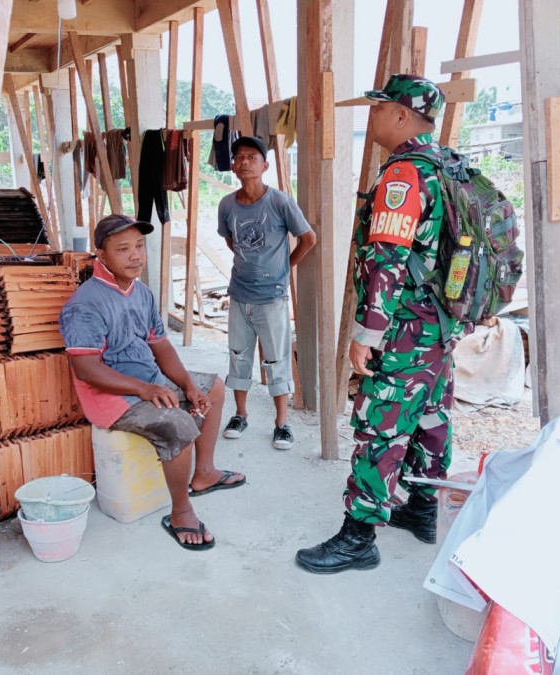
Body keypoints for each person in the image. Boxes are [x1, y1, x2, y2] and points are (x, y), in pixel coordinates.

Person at [296, 74, 464, 574]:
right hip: (439, 327)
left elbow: (387, 261)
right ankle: (422, 506)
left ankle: (359, 535)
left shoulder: (403, 175)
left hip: (403, 329)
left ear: (399, 115)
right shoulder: (447, 167)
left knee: (381, 424)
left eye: (377, 108)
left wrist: (366, 333)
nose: (370, 117)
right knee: (431, 414)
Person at [60, 214, 245, 551]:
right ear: (101, 255)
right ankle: (180, 512)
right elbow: (86, 369)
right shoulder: (85, 304)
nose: (136, 256)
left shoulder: (141, 293)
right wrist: (144, 389)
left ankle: (203, 473)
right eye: (123, 249)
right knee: (177, 424)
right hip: (112, 398)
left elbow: (160, 345)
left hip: (148, 382)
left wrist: (187, 384)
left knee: (213, 388)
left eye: (140, 246)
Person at [217, 136, 317, 450]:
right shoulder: (227, 204)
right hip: (239, 294)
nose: (245, 161)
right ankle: (241, 414)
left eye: (252, 156)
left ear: (265, 165)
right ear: (233, 166)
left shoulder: (279, 202)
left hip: (272, 297)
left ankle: (282, 423)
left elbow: (308, 238)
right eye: (239, 157)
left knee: (276, 359)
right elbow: (231, 240)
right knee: (238, 355)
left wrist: (284, 267)